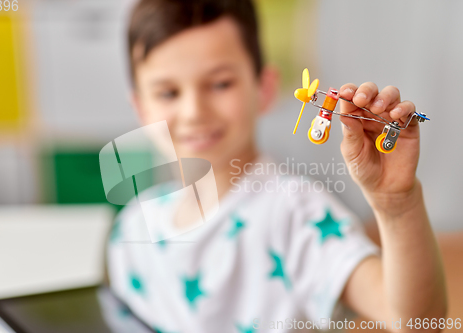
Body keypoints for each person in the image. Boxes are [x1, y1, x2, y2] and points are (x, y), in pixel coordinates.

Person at [106, 0, 447, 332]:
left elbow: (416, 322)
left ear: (265, 88)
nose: (195, 110)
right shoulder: (131, 231)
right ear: (140, 107)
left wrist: (397, 204)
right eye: (168, 92)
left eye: (221, 83)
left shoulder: (296, 214)